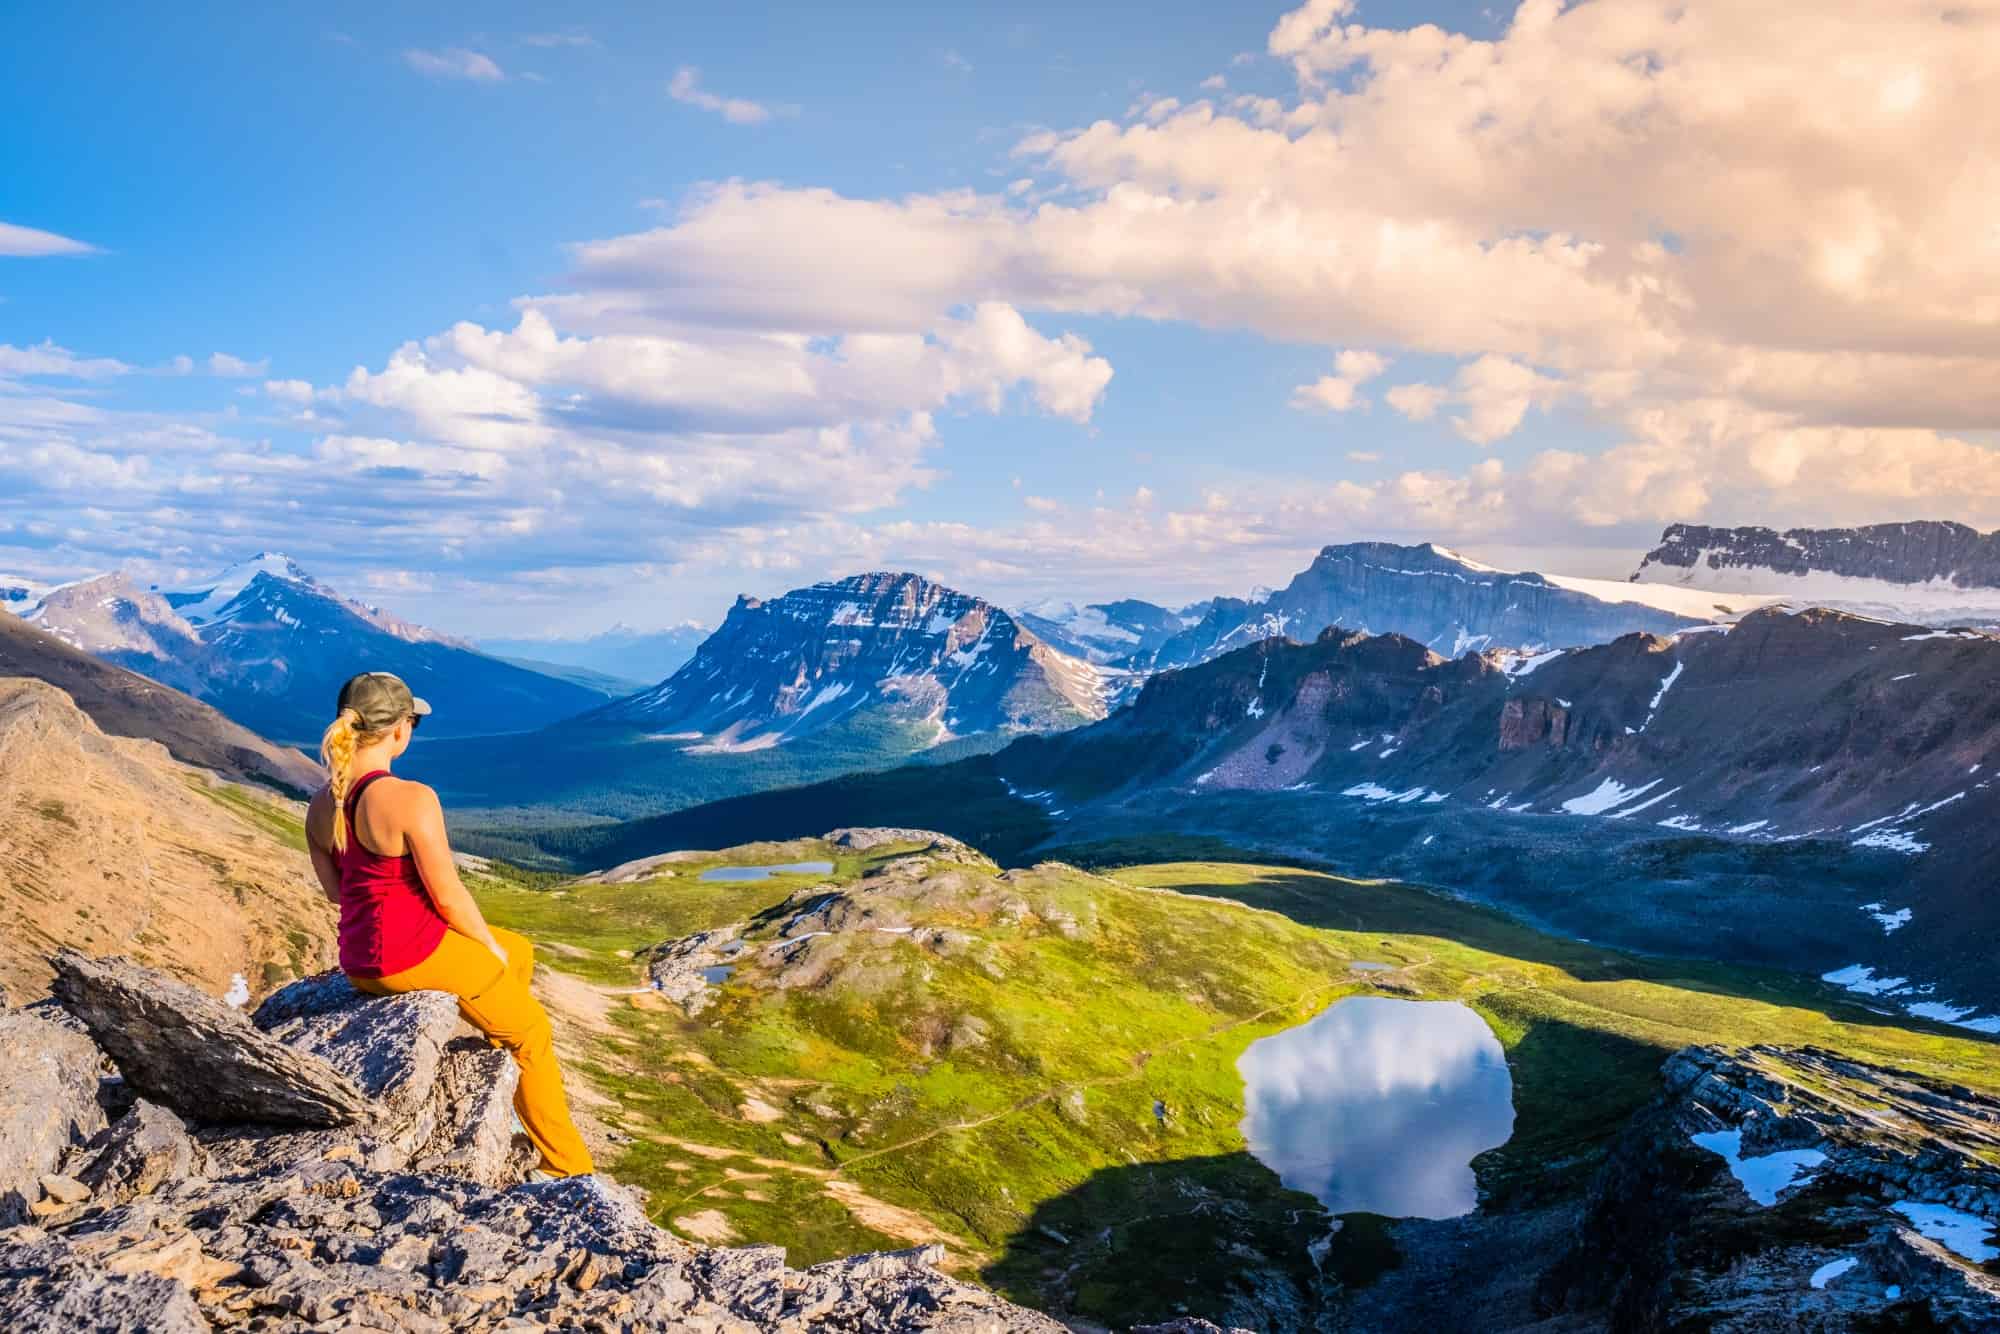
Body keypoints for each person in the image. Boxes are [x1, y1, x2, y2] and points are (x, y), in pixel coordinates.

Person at [303, 670, 593, 1180]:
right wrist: (485, 947)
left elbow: (336, 892)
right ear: (399, 730)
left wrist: (497, 950)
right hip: (411, 956)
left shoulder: (322, 802)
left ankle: (495, 1039)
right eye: (412, 721)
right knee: (533, 1034)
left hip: (360, 963)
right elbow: (450, 897)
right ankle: (570, 1170)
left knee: (518, 949)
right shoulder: (411, 798)